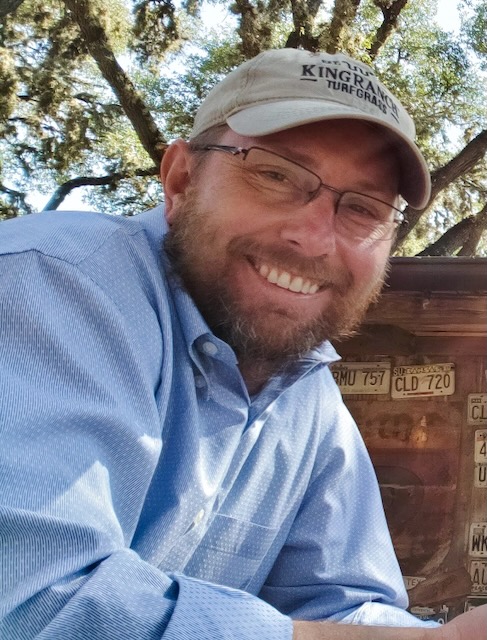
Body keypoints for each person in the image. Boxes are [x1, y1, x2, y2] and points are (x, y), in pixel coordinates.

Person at [0, 48, 485, 640]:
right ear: (180, 180)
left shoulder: (308, 400)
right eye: (276, 174)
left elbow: (344, 606)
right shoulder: (53, 281)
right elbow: (34, 602)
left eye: (362, 208)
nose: (313, 239)